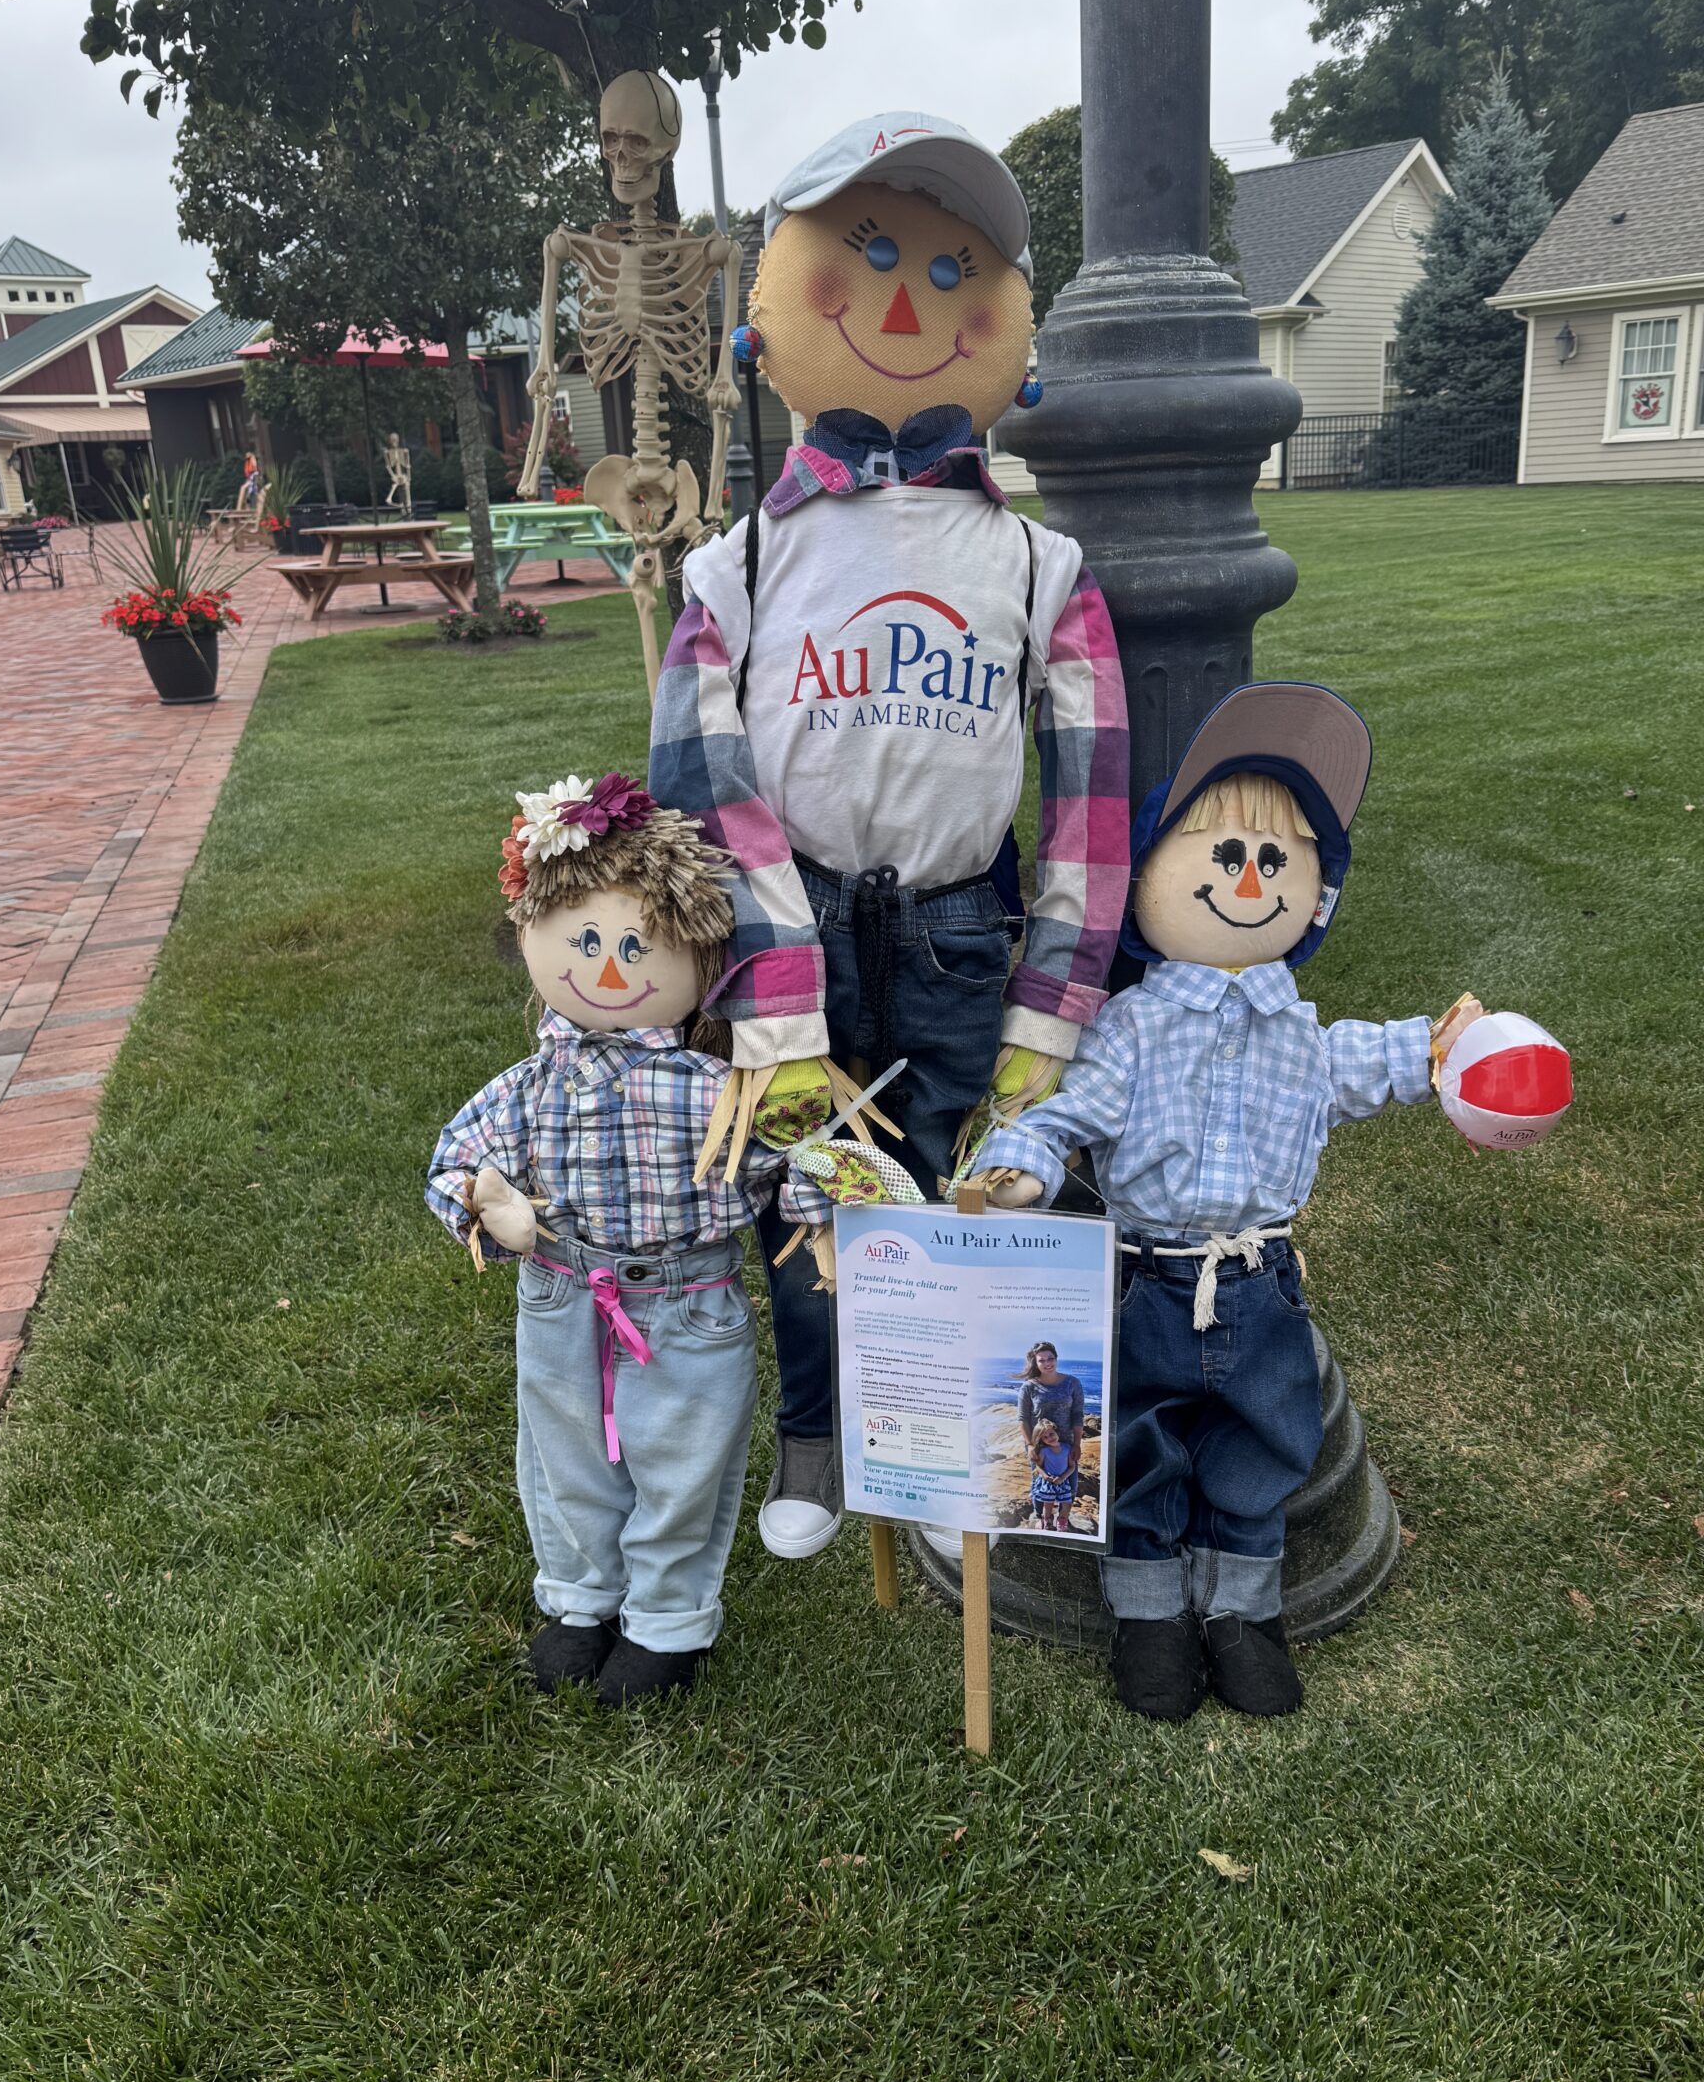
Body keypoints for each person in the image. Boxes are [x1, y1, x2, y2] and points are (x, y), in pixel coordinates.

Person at [650, 111, 1130, 1565]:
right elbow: (700, 776)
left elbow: (1090, 803)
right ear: (779, 307)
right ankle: (822, 1432)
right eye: (867, 256)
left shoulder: (1041, 562)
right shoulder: (735, 565)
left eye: (947, 263)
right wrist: (770, 986)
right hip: (791, 929)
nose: (913, 298)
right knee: (809, 1190)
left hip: (956, 923)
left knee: (964, 1169)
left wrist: (1058, 1001)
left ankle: (975, 1448)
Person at [972, 681, 1525, 1725]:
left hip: (1261, 1286)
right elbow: (1065, 1113)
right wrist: (1023, 1164)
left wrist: (1443, 1049)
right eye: (1222, 854)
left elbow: (1380, 1058)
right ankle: (1148, 1619)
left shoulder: (1303, 1037)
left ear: (1316, 896)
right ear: (1149, 876)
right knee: (1134, 1443)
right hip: (1145, 1284)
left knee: (1263, 1446)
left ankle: (1241, 1615)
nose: (1249, 876)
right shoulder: (1131, 1029)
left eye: (1276, 859)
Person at [426, 775, 828, 1708]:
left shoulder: (715, 1083)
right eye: (587, 942)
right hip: (564, 1293)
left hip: (687, 1305)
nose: (609, 968)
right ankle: (581, 1600)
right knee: (566, 1456)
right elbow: (455, 1160)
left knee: (684, 1464)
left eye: (638, 946)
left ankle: (667, 1621)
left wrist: (821, 1189)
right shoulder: (530, 1085)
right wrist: (490, 1203)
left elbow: (785, 1163)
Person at [1017, 1342, 1085, 1473]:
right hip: (1039, 1446)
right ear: (1035, 1363)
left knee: (1069, 1487)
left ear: (1056, 1358)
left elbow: (1077, 1414)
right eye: (1041, 1360)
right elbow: (1022, 1418)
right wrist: (1030, 1445)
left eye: (1050, 1358)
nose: (1047, 1363)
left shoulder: (1072, 1383)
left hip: (1066, 1446)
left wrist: (1077, 1444)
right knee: (1041, 1489)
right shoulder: (1028, 1387)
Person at [1026, 1420, 1077, 1532]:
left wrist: (1063, 1477)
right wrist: (1045, 1476)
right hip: (1048, 1482)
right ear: (1041, 1440)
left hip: (1062, 1481)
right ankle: (1047, 1520)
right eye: (1045, 1437)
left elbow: (1072, 1466)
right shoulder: (1044, 1451)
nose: (1049, 1438)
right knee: (1048, 1505)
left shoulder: (1067, 1448)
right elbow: (1038, 1466)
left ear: (1056, 1431)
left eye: (1051, 1434)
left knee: (1067, 1503)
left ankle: (1062, 1519)